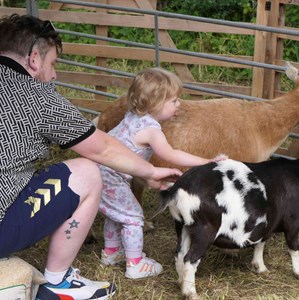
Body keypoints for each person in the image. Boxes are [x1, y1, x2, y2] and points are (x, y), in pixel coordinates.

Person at [0, 14, 182, 300]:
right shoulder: (35, 95)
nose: (54, 74)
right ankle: (58, 284)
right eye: (52, 64)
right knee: (87, 171)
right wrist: (150, 172)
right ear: (34, 58)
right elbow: (101, 149)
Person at [99, 67, 228, 279]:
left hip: (103, 172)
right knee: (133, 217)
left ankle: (112, 252)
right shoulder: (151, 129)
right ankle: (135, 263)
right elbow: (172, 154)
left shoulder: (132, 116)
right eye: (175, 100)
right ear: (156, 103)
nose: (179, 104)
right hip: (111, 177)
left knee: (117, 214)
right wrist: (207, 161)